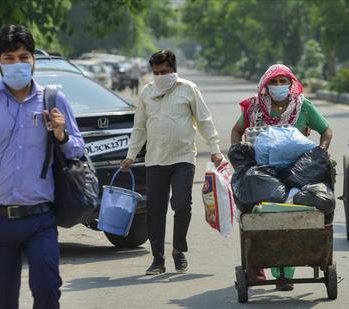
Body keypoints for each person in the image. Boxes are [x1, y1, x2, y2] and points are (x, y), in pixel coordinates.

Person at [0, 25, 85, 309]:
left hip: (40, 219)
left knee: (47, 292)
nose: (17, 64)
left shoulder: (54, 101)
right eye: (9, 58)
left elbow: (79, 149)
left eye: (24, 57)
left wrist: (61, 134)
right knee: (3, 298)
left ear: (34, 60)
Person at [230, 64, 333, 291]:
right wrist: (239, 155)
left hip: (299, 170)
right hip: (264, 171)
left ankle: (286, 271)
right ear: (266, 86)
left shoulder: (303, 106)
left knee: (300, 210)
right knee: (257, 213)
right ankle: (259, 264)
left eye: (282, 82)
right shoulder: (255, 106)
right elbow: (237, 130)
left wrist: (322, 151)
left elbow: (326, 130)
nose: (278, 87)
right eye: (274, 83)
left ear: (291, 83)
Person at [120, 50, 223, 276]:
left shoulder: (188, 89)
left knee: (182, 204)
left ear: (173, 69)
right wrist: (131, 155)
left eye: (164, 71)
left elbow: (204, 120)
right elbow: (139, 128)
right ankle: (158, 258)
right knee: (155, 210)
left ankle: (178, 249)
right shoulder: (147, 93)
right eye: (156, 72)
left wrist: (215, 149)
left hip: (183, 158)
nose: (160, 76)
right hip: (155, 160)